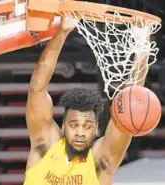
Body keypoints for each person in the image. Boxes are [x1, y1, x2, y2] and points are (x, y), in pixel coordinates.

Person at [23, 15, 150, 185]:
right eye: (74, 125)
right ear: (63, 126)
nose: (80, 132)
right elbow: (37, 89)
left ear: (96, 129)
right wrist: (62, 32)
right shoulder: (44, 147)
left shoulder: (100, 163)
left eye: (87, 126)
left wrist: (142, 46)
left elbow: (129, 107)